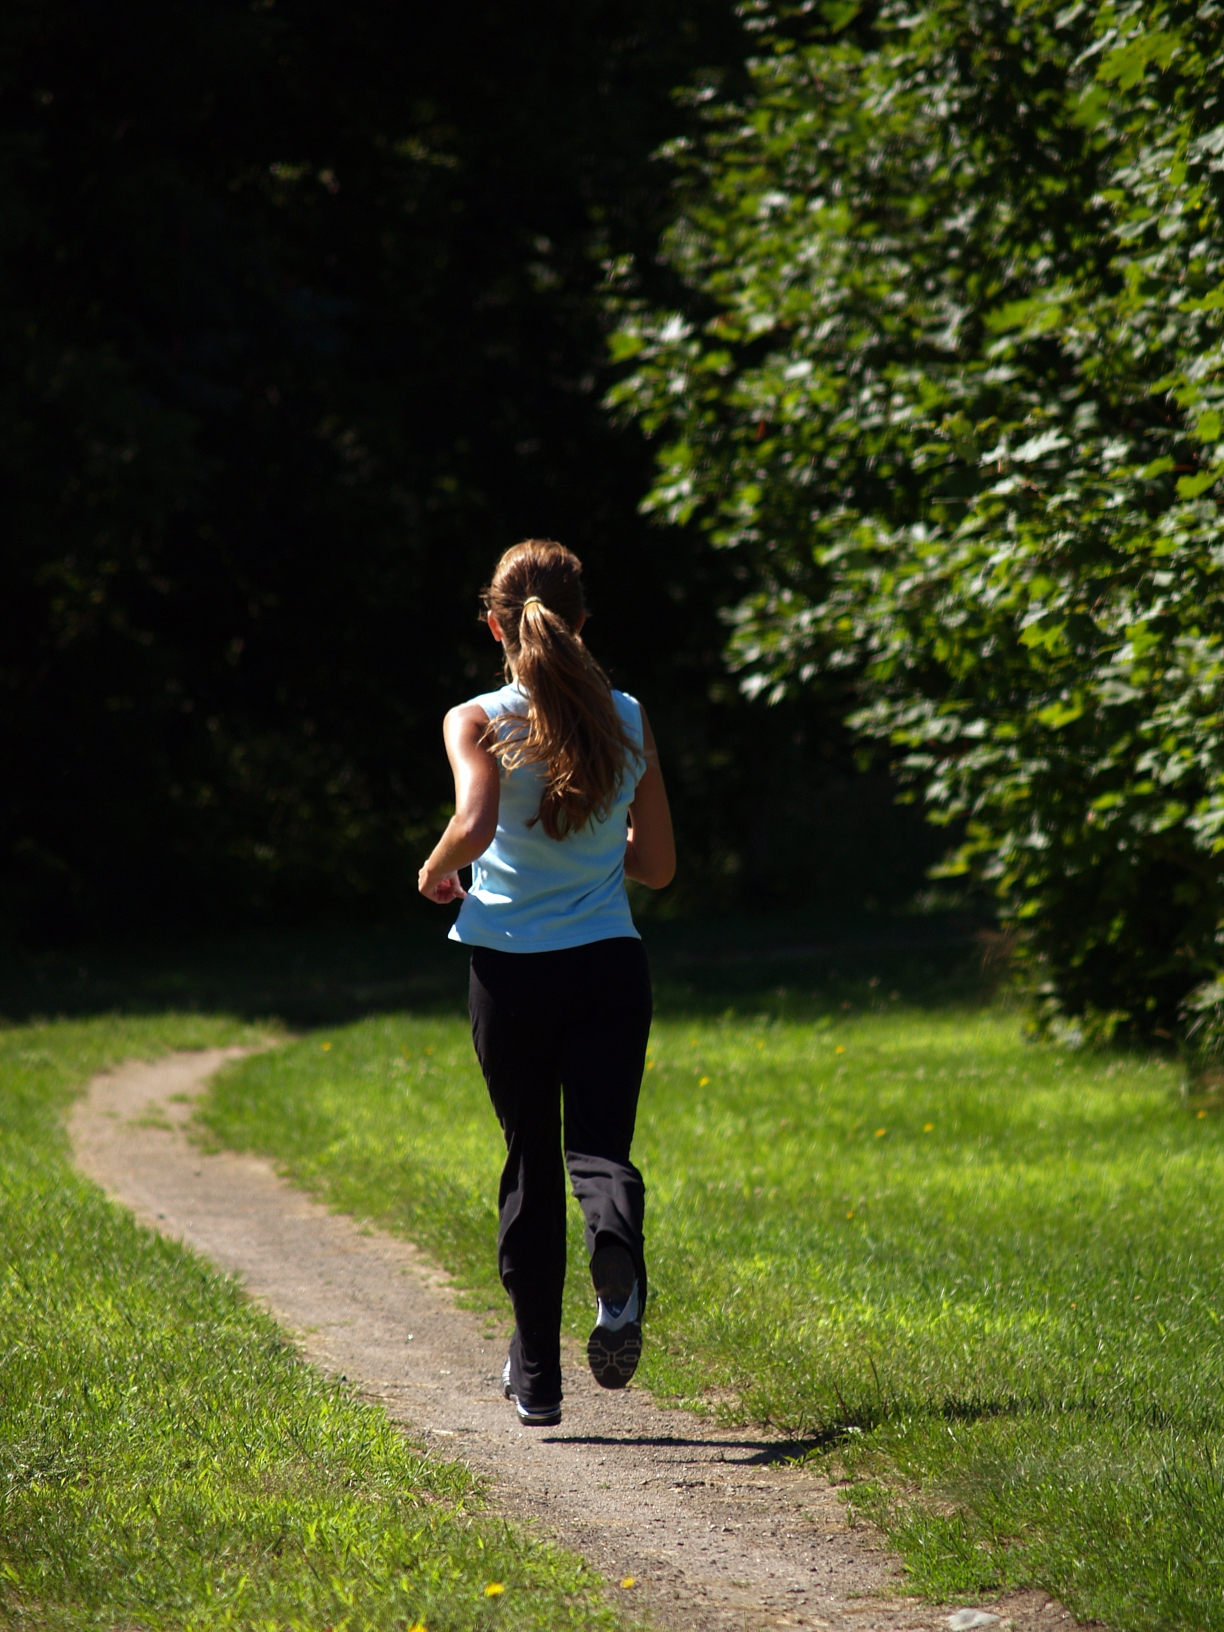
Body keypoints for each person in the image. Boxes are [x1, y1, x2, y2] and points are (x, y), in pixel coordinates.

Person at [418, 538, 676, 1427]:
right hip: (609, 963)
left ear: (495, 622)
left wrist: (434, 868)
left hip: (510, 972)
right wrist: (599, 847)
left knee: (528, 1157)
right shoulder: (628, 716)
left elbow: (476, 820)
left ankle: (538, 1379)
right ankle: (616, 1248)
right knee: (598, 1148)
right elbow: (661, 867)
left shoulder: (477, 716)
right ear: (583, 622)